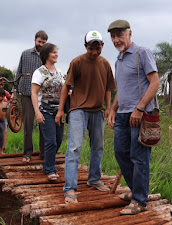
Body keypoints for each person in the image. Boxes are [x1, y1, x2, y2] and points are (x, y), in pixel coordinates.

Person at [55, 30, 116, 204]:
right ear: (85, 47)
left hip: (97, 111)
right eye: (91, 48)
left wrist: (108, 108)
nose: (94, 52)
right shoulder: (77, 62)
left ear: (102, 46)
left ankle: (94, 179)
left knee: (98, 147)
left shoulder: (105, 64)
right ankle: (70, 188)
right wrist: (61, 110)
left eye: (98, 48)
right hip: (78, 110)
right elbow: (67, 87)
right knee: (74, 148)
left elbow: (108, 88)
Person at [107, 20, 160, 215]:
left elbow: (155, 83)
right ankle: (136, 190)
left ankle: (139, 200)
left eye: (119, 35)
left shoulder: (142, 53)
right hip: (122, 115)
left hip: (140, 114)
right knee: (121, 153)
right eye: (112, 36)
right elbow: (122, 89)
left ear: (129, 33)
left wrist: (139, 108)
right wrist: (113, 109)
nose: (116, 39)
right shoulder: (118, 59)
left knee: (139, 158)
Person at [31, 43, 64, 181]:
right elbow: (33, 92)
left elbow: (64, 90)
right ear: (46, 54)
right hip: (45, 111)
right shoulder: (39, 72)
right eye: (53, 52)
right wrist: (37, 112)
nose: (56, 54)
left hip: (59, 112)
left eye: (56, 52)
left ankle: (47, 164)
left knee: (58, 140)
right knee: (51, 141)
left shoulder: (59, 72)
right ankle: (50, 169)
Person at [16, 30, 48, 163]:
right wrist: (15, 89)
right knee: (28, 125)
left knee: (43, 124)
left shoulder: (47, 56)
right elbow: (18, 72)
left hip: (42, 95)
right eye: (39, 41)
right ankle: (27, 154)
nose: (41, 44)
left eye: (44, 42)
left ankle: (43, 153)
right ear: (35, 40)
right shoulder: (25, 54)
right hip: (27, 93)